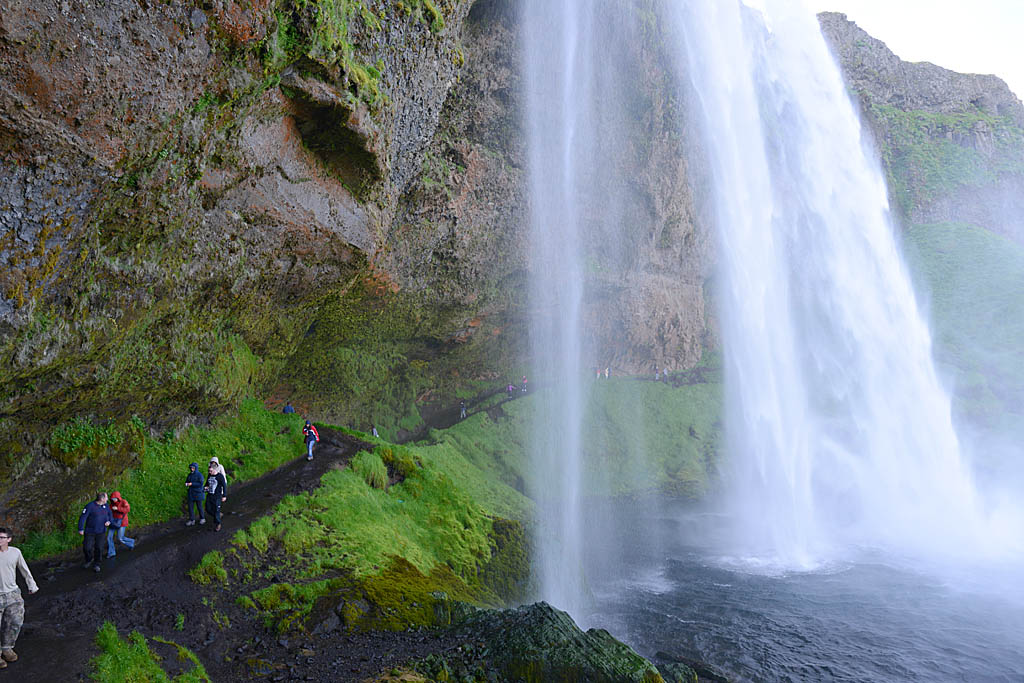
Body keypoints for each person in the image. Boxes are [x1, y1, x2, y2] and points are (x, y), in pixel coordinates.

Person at [0, 528, 37, 670]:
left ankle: (7, 648)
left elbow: (24, 569)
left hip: (13, 594)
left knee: (15, 622)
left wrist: (31, 584)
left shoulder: (15, 552)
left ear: (9, 539)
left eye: (2, 537)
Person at [78, 492, 112, 572]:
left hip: (101, 531)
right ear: (102, 499)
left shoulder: (106, 506)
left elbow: (110, 515)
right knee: (87, 547)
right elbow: (83, 517)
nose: (107, 499)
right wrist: (81, 528)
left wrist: (109, 521)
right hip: (90, 531)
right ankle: (89, 559)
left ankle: (97, 564)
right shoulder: (90, 506)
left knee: (99, 548)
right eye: (106, 498)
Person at [106, 491, 136, 558]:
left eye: (115, 498)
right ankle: (111, 552)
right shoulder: (111, 504)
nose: (114, 500)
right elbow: (109, 512)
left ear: (118, 497)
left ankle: (131, 542)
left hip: (122, 522)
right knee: (109, 537)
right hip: (113, 522)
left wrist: (118, 508)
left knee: (120, 538)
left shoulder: (123, 502)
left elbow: (127, 509)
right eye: (112, 499)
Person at [204, 463, 227, 532]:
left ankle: (218, 524)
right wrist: (205, 488)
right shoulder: (209, 476)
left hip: (217, 496)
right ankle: (217, 515)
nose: (209, 472)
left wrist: (224, 495)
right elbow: (207, 484)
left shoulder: (220, 476)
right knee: (208, 509)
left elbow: (224, 486)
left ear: (215, 470)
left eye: (211, 471)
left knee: (216, 509)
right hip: (210, 495)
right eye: (209, 471)